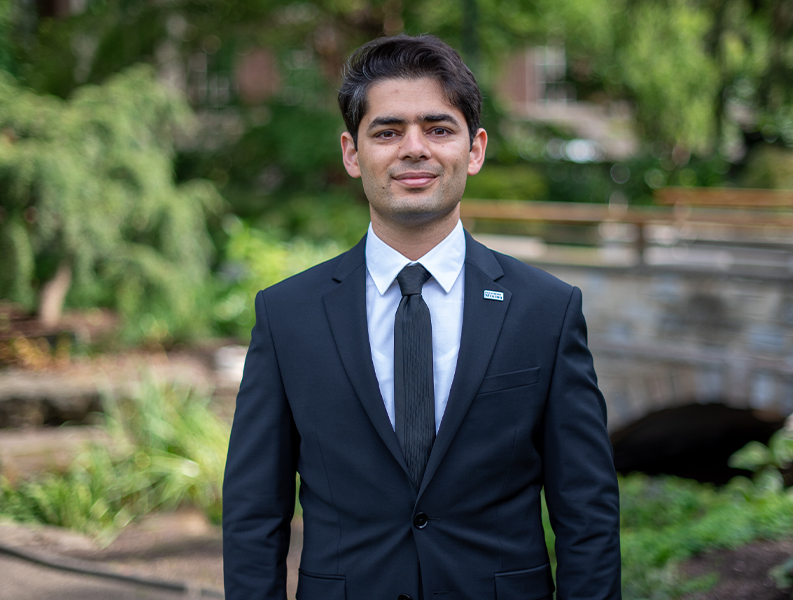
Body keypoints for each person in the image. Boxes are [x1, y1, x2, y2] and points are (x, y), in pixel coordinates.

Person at [223, 34, 621, 600]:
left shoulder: (547, 310)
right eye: (387, 131)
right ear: (352, 153)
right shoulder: (288, 315)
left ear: (475, 149)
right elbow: (252, 514)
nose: (414, 148)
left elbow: (588, 513)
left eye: (438, 129)